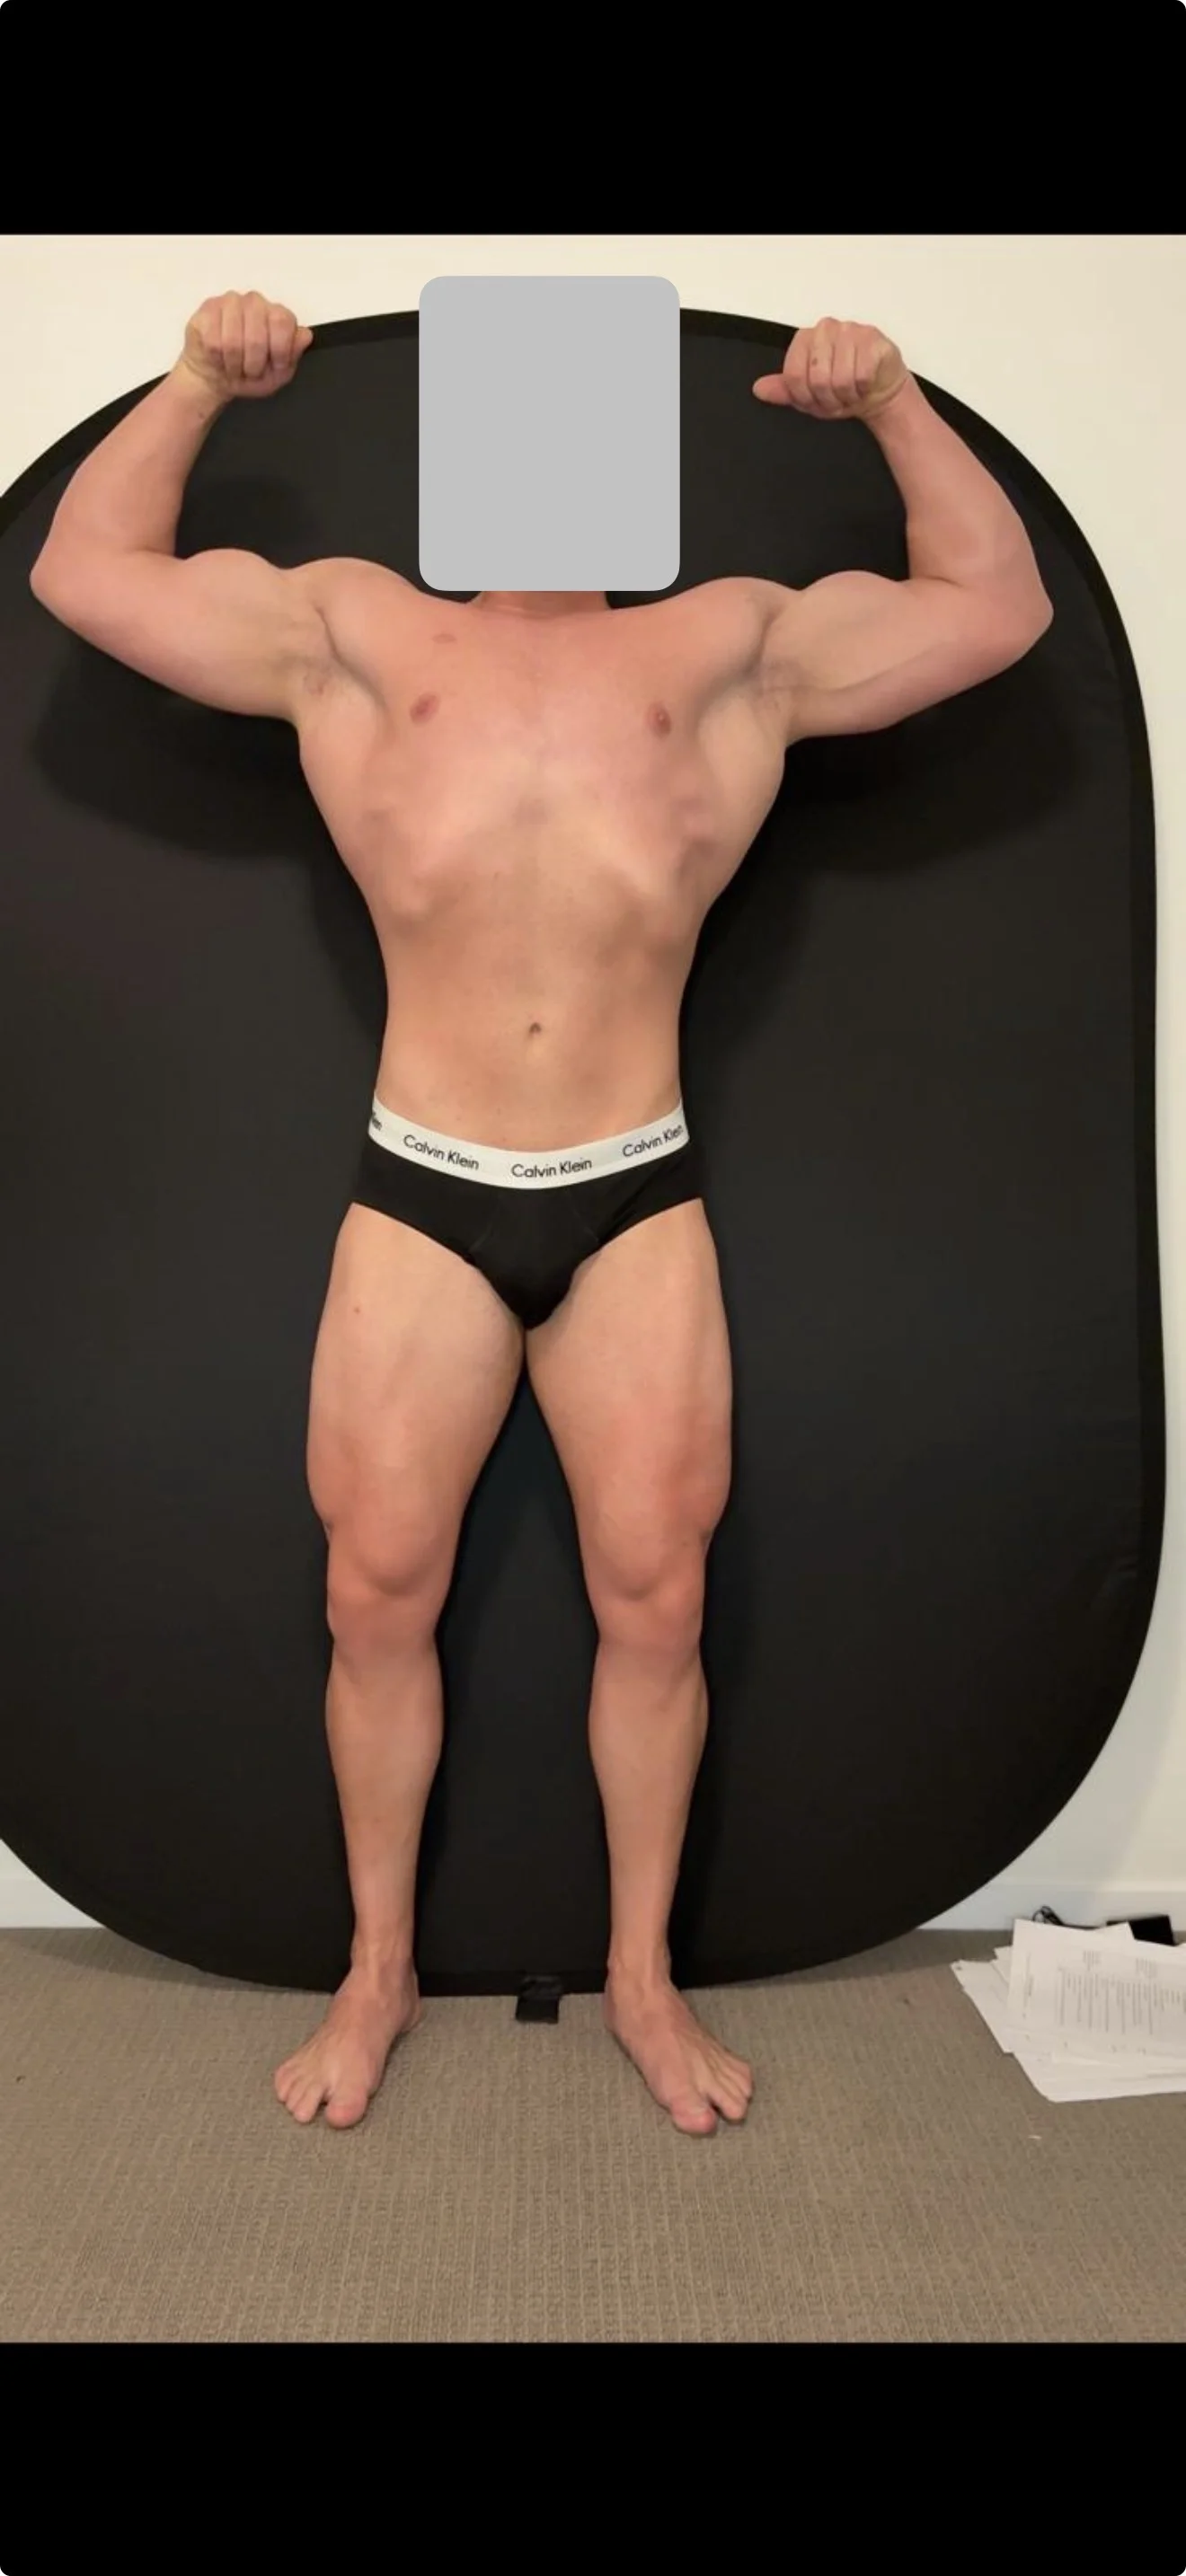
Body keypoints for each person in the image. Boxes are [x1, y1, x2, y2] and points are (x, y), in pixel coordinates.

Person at [30, 291, 1052, 2135]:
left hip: (631, 1193)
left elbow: (998, 608)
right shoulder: (352, 627)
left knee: (657, 1600)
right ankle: (376, 1969)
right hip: (421, 1191)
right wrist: (193, 381)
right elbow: (84, 574)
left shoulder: (728, 645)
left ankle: (642, 1979)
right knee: (373, 1593)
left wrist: (895, 399)